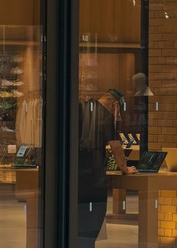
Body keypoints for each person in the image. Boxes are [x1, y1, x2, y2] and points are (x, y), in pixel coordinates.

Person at [78, 89, 137, 247]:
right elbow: (115, 146)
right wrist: (124, 168)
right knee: (92, 219)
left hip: (75, 175)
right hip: (92, 178)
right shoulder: (104, 116)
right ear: (115, 105)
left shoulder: (80, 108)